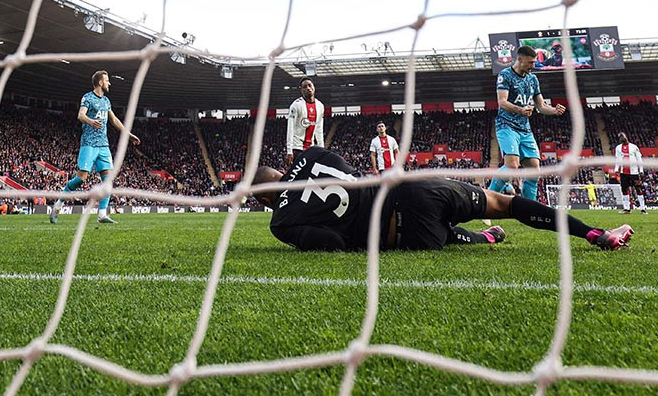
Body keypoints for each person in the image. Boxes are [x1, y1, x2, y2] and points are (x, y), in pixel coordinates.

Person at [253, 146, 632, 252]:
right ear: (278, 171)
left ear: (260, 201)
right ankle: (596, 235)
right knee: (505, 203)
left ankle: (481, 238)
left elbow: (331, 243)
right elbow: (351, 173)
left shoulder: (279, 223)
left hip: (406, 239)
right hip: (412, 189)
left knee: (437, 234)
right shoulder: (314, 155)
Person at [50, 70, 140, 224]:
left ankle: (102, 215)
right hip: (89, 144)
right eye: (107, 80)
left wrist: (128, 134)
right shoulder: (88, 97)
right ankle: (58, 205)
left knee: (108, 179)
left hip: (103, 145)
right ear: (100, 82)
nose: (109, 83)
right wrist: (91, 121)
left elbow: (114, 119)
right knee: (81, 179)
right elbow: (80, 115)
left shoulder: (106, 101)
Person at [488, 45, 566, 201]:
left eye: (534, 62)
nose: (533, 66)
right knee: (512, 165)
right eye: (530, 63)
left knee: (534, 170)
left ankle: (528, 209)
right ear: (519, 59)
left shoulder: (533, 79)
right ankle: (487, 200)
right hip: (506, 125)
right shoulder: (505, 75)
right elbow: (502, 102)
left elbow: (541, 106)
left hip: (525, 130)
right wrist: (520, 110)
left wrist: (554, 111)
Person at [286, 78, 324, 166]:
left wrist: (322, 149)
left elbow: (319, 129)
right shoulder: (296, 105)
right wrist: (289, 150)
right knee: (300, 178)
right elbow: (290, 128)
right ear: (301, 90)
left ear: (314, 87)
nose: (308, 88)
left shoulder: (320, 106)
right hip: (297, 148)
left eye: (310, 85)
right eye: (304, 87)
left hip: (311, 148)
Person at [614, 132, 647, 214]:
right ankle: (627, 209)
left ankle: (643, 209)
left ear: (626, 136)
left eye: (622, 136)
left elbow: (639, 159)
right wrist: (616, 169)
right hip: (623, 172)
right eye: (620, 137)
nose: (621, 138)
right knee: (624, 190)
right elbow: (617, 159)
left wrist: (641, 170)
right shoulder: (618, 148)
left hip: (634, 172)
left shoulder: (634, 147)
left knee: (638, 189)